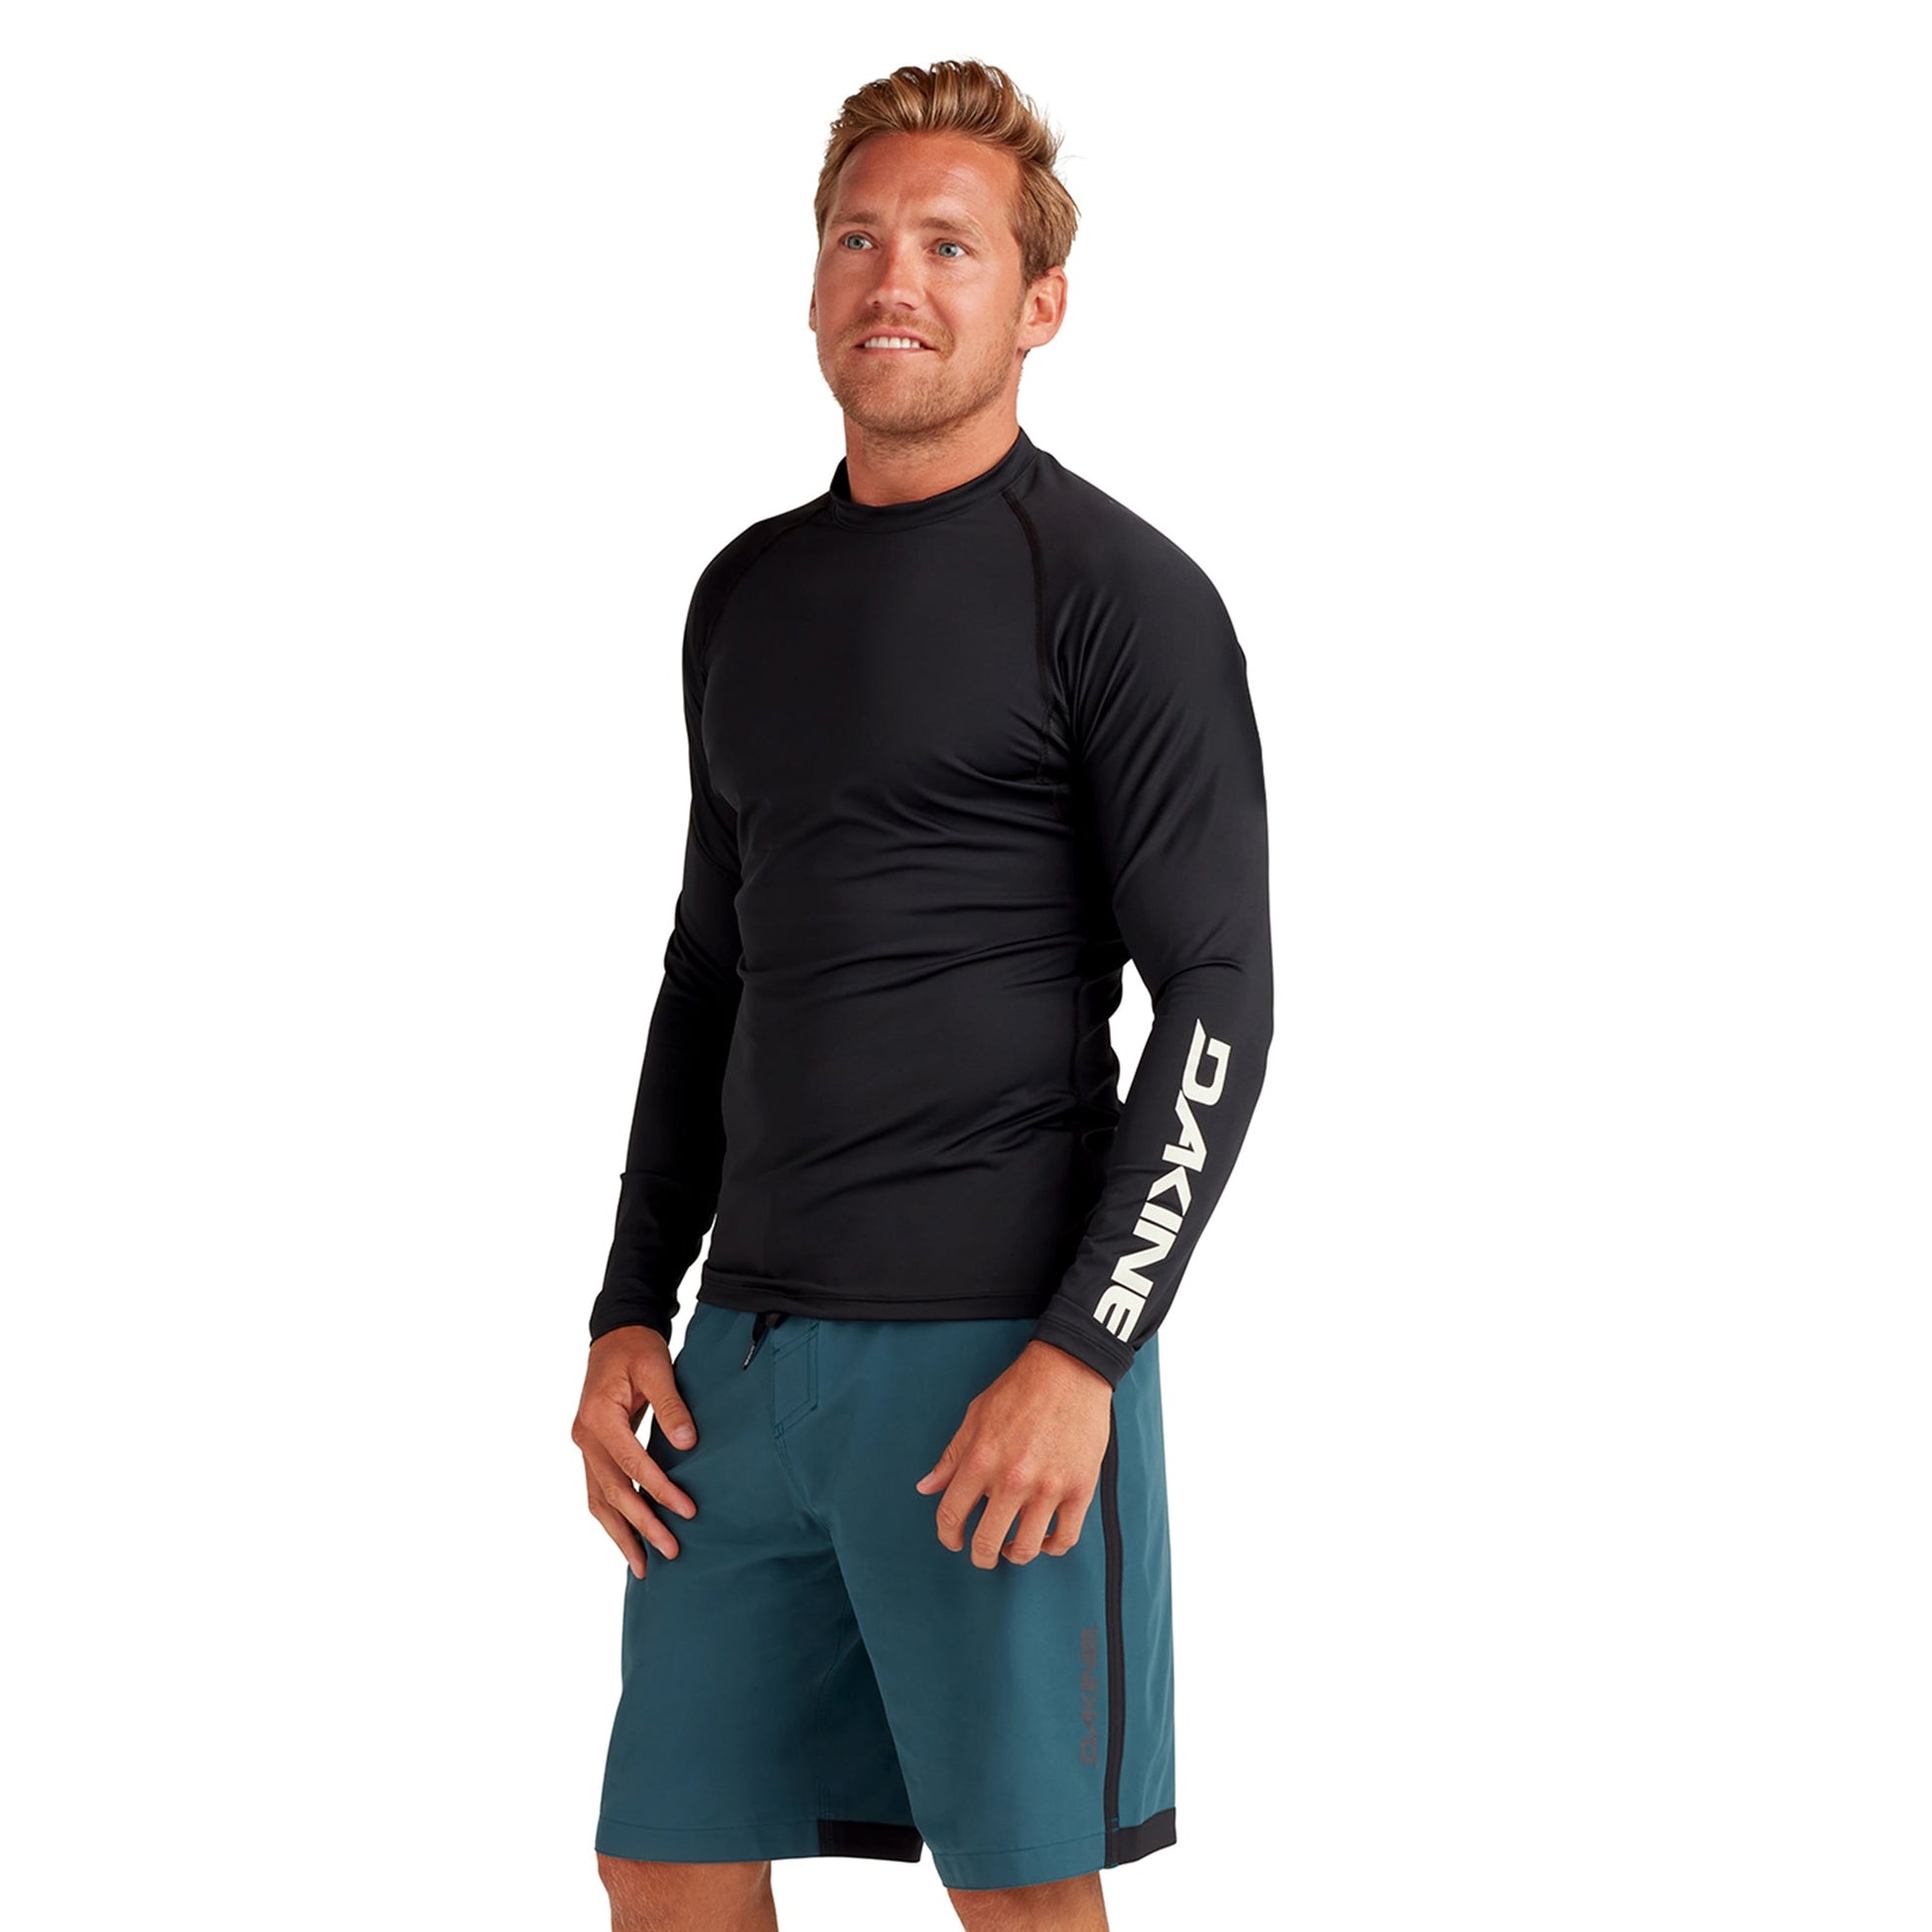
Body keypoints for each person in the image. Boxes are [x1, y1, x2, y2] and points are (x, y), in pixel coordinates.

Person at [572, 58, 1273, 1932]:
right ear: (814, 279)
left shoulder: (1115, 593)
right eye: (858, 237)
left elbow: (1216, 1001)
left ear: (1039, 305)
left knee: (1022, 1894)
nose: (893, 278)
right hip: (742, 1363)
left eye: (950, 245)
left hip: (991, 1356)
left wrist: (1084, 1352)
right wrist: (630, 1302)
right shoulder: (744, 595)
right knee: (662, 1857)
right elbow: (708, 967)